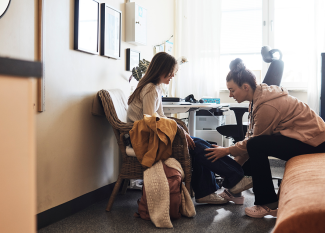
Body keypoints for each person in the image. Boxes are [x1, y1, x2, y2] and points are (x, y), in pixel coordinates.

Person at [205, 58, 325, 218]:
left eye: (232, 90)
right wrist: (232, 170)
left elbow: (253, 143)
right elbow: (250, 136)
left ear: (245, 87)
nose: (230, 94)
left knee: (255, 146)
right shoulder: (257, 99)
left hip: (315, 143)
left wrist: (226, 151)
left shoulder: (267, 106)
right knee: (254, 145)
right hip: (305, 139)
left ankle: (267, 203)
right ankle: (235, 191)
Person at [127, 52, 253, 205]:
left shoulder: (156, 88)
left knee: (200, 143)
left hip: (153, 135)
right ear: (161, 69)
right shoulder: (150, 89)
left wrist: (180, 131)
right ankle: (231, 180)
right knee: (198, 146)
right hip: (144, 139)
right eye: (172, 71)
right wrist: (179, 131)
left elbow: (160, 117)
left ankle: (213, 188)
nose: (173, 75)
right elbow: (150, 121)